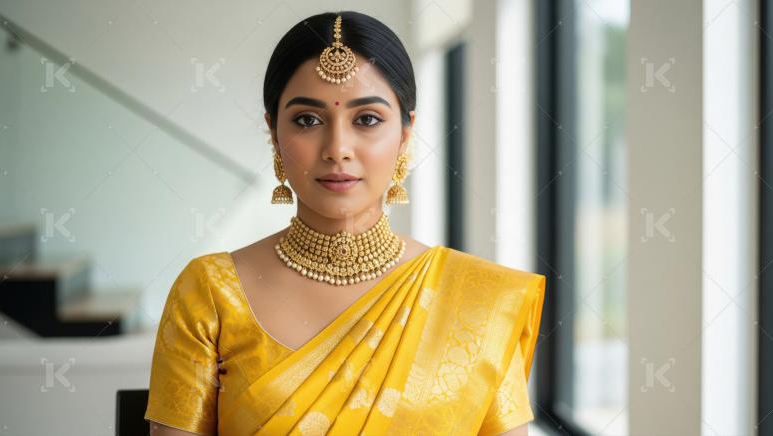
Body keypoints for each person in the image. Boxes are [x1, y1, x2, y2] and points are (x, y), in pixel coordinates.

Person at [144, 10, 545, 436]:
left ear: (406, 134)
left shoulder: (478, 301)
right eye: (307, 120)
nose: (337, 148)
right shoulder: (211, 292)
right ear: (273, 132)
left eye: (367, 119)